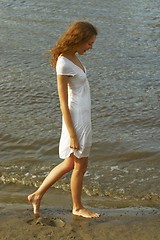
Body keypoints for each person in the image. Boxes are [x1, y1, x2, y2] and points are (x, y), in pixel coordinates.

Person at [28, 20, 100, 219]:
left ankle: (36, 195)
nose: (90, 48)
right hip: (76, 119)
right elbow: (63, 103)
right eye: (89, 43)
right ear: (79, 39)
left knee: (70, 164)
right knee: (80, 165)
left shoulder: (74, 57)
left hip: (83, 116)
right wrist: (72, 134)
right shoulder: (63, 63)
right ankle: (77, 207)